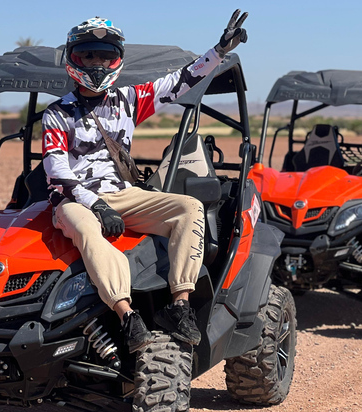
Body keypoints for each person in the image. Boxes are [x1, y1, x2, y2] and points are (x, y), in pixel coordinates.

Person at [42, 11, 248, 357]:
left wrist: (219, 51)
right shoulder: (57, 113)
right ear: (73, 59)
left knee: (189, 208)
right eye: (88, 54)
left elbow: (180, 81)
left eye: (105, 55)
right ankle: (127, 316)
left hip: (121, 195)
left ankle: (179, 305)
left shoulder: (128, 100)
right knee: (89, 233)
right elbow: (56, 171)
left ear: (117, 60)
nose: (97, 63)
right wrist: (96, 205)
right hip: (74, 201)